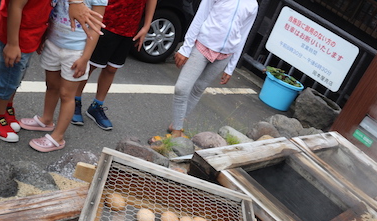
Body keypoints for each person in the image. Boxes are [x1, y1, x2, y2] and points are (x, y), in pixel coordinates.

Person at [0, 0, 105, 150]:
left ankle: (7, 109)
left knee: (17, 76)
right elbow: (15, 6)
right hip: (17, 36)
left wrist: (86, 57)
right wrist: (12, 43)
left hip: (36, 37)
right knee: (9, 79)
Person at [167, 0, 258, 138]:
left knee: (198, 89)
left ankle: (176, 125)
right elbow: (200, 16)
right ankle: (177, 130)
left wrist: (231, 67)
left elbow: (244, 34)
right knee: (182, 88)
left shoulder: (252, 4)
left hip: (226, 54)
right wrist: (186, 48)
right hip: (202, 45)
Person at [71, 0, 157, 130]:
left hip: (130, 25)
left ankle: (97, 106)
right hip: (106, 20)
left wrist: (146, 25)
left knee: (112, 68)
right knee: (90, 65)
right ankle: (75, 101)